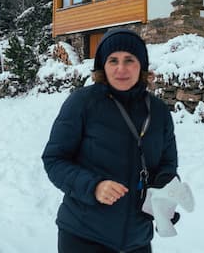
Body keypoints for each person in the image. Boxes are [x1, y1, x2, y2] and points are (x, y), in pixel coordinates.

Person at [42, 28, 179, 253]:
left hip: (138, 240)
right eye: (113, 60)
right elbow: (55, 160)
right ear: (102, 66)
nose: (121, 68)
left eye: (129, 60)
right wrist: (93, 186)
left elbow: (168, 164)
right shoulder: (82, 103)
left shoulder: (158, 111)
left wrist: (164, 194)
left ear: (141, 65)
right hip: (83, 236)